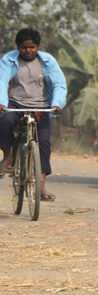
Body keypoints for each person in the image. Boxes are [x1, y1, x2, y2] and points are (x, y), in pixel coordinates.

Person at [0, 28, 67, 202]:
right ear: (18, 47)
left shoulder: (47, 61)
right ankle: (8, 155)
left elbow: (59, 83)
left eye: (32, 47)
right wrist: (1, 103)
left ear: (38, 47)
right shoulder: (8, 60)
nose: (28, 51)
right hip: (14, 104)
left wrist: (57, 103)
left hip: (40, 106)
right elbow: (1, 81)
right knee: (5, 123)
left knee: (44, 141)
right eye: (24, 47)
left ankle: (41, 183)